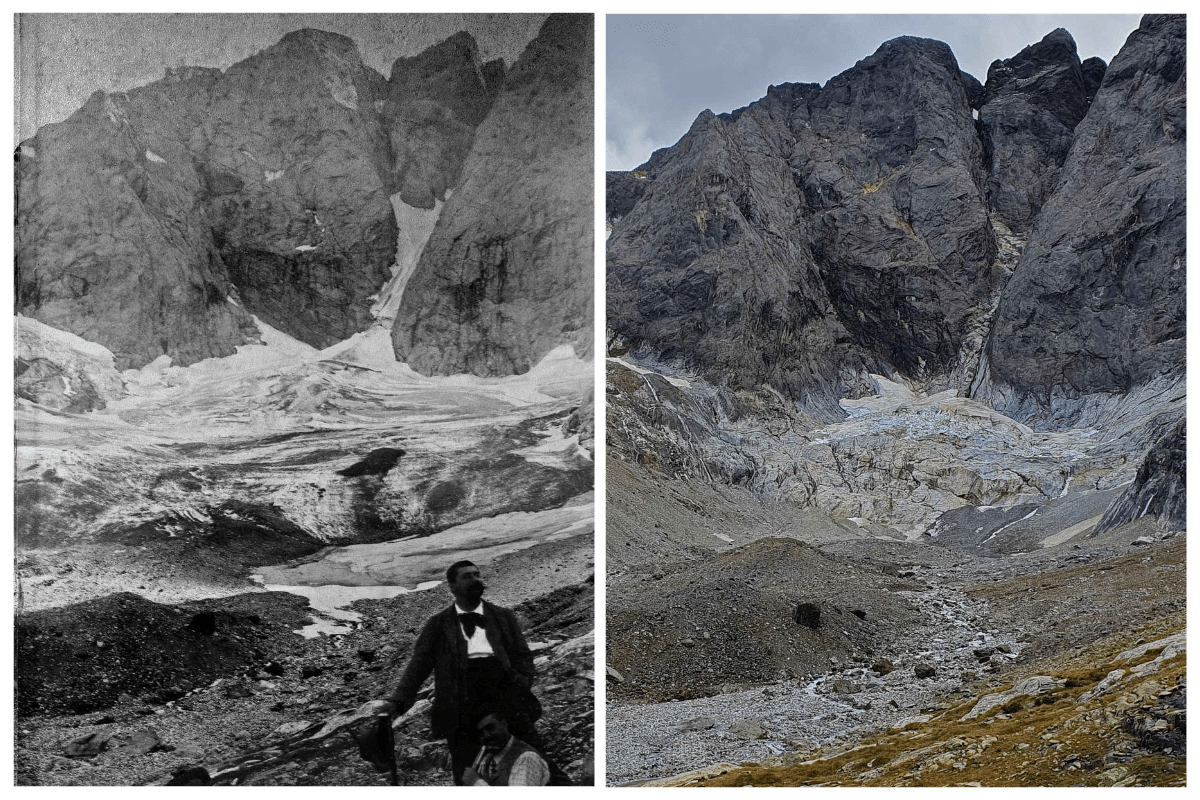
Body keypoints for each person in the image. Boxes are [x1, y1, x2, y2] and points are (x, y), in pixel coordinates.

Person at [379, 560, 543, 785]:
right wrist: (398, 700)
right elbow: (419, 665)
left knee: (529, 750)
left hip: (505, 693)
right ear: (452, 587)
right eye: (467, 576)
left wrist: (522, 681)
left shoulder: (503, 616)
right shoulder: (437, 624)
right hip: (460, 701)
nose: (475, 579)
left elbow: (523, 655)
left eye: (477, 574)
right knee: (467, 767)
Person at [462, 713, 550, 787]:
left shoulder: (526, 757)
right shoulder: (487, 759)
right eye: (481, 733)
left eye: (490, 728)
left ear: (504, 724)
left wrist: (476, 783)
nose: (486, 735)